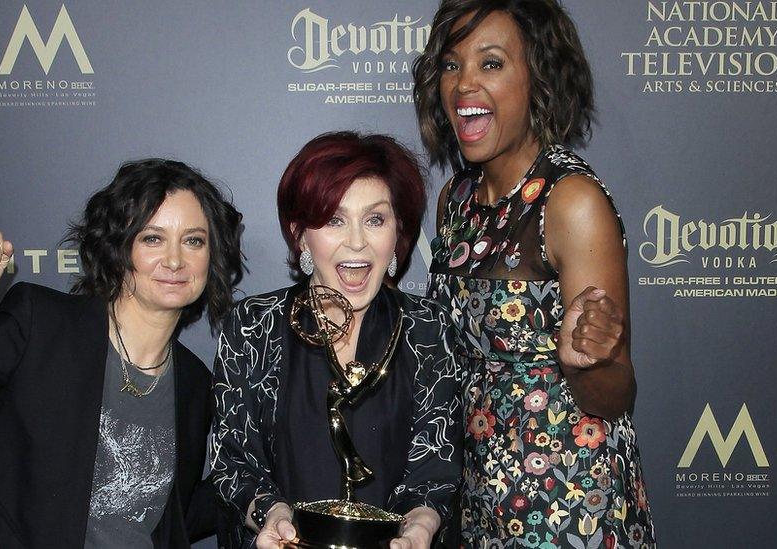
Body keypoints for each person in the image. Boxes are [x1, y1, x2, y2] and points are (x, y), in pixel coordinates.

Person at [0, 159, 244, 548]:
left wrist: (272, 490)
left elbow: (171, 514)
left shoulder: (194, 381)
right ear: (118, 247)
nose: (174, 260)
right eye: (152, 238)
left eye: (194, 240)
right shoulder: (42, 324)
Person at [412, 0, 655, 546]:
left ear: (538, 77)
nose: (464, 85)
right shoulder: (455, 198)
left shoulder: (571, 202)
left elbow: (616, 393)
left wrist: (588, 360)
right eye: (451, 65)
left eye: (491, 63)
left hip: (567, 503)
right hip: (480, 492)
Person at [211, 132, 463, 549]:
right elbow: (235, 463)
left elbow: (435, 471)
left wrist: (420, 526)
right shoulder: (253, 325)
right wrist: (272, 515)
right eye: (334, 220)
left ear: (398, 231)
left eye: (375, 219)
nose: (358, 242)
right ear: (299, 235)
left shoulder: (428, 328)